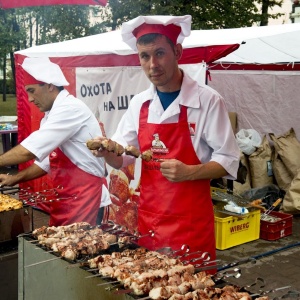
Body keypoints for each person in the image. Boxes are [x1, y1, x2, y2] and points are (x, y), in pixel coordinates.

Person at [90, 15, 240, 263]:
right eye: (144, 56)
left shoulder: (208, 101)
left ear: (177, 51)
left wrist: (189, 172)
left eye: (160, 53)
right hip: (151, 219)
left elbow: (229, 159)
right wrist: (106, 150)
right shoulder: (140, 104)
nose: (152, 65)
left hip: (190, 224)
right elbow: (121, 159)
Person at [0, 57, 107, 226]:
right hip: (66, 196)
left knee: (76, 246)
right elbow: (46, 163)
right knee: (56, 246)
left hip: (84, 195)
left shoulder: (69, 109)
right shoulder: (51, 115)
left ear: (49, 85)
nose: (29, 99)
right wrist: (16, 178)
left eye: (32, 90)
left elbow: (29, 150)